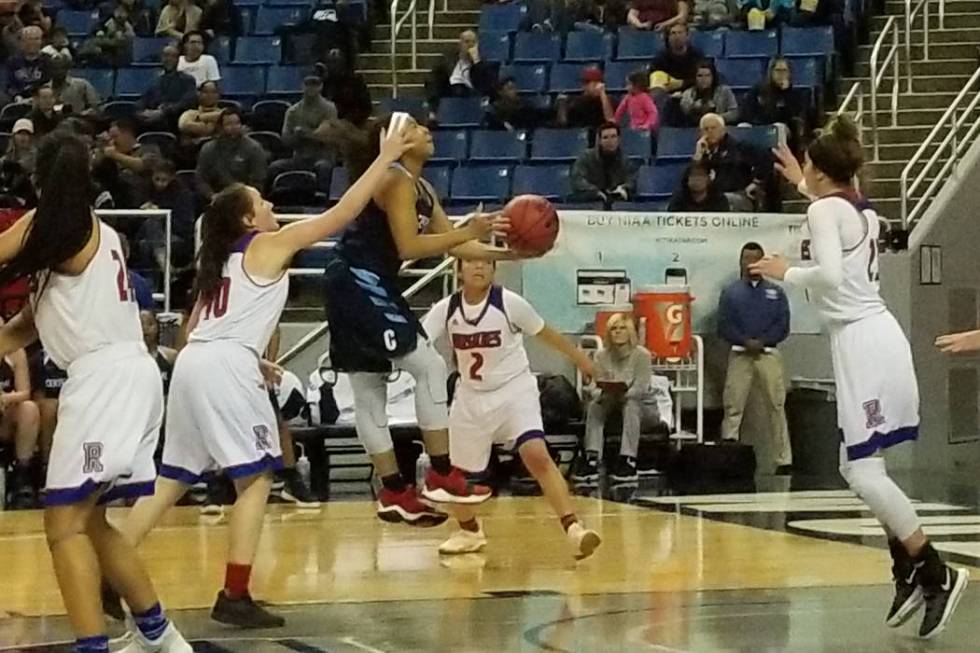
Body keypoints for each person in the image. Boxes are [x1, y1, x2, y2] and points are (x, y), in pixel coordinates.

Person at [118, 124, 417, 628]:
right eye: (261, 200)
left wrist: (246, 356)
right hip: (223, 367)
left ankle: (112, 569)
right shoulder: (267, 243)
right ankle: (234, 594)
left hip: (196, 365)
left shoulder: (218, 265)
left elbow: (193, 334)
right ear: (246, 217)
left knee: (173, 479)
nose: (270, 205)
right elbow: (342, 214)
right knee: (256, 479)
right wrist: (385, 157)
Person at [751, 118, 969, 640]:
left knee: (864, 474)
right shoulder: (859, 209)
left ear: (821, 171)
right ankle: (909, 568)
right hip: (869, 338)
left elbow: (826, 273)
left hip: (864, 343)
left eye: (808, 166)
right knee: (860, 470)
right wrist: (802, 184)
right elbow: (837, 220)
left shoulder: (827, 209)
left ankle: (936, 570)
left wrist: (785, 272)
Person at [0, 131, 192, 653]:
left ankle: (93, 646)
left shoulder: (51, 226)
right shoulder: (83, 235)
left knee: (62, 525)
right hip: (125, 375)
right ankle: (160, 634)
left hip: (105, 382)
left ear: (37, 178)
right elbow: (26, 328)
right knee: (90, 519)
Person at [324, 114, 511, 525]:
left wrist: (510, 255)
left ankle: (393, 491)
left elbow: (457, 250)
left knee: (369, 390)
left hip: (362, 281)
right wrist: (467, 231)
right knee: (428, 366)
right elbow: (410, 247)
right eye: (416, 128)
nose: (428, 131)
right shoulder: (393, 179)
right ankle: (442, 473)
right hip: (358, 278)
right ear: (396, 141)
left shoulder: (422, 186)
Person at [421, 258, 602, 557]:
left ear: (494, 269)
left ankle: (573, 528)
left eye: (486, 264)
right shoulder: (446, 309)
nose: (479, 268)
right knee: (454, 476)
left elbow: (547, 334)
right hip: (470, 397)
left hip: (514, 390)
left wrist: (582, 360)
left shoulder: (509, 303)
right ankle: (469, 531)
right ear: (459, 270)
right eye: (471, 263)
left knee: (536, 454)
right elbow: (418, 341)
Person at [718, 242, 792, 473]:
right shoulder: (730, 293)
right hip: (740, 354)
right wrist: (744, 341)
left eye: (755, 258)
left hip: (768, 353)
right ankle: (729, 455)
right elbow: (724, 325)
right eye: (746, 258)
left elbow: (783, 325)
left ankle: (783, 459)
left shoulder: (776, 293)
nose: (750, 263)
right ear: (740, 261)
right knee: (733, 405)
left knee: (776, 405)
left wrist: (763, 341)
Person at [573, 312, 652, 483]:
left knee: (631, 404)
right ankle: (592, 457)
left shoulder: (642, 356)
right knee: (596, 405)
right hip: (611, 400)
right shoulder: (601, 356)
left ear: (630, 332)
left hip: (640, 405)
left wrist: (622, 393)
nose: (617, 332)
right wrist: (599, 392)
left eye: (622, 328)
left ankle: (628, 459)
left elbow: (641, 389)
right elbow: (594, 385)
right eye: (614, 328)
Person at [269, 75, 338, 188]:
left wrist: (306, 134)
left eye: (315, 85)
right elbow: (285, 140)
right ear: (302, 86)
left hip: (322, 157)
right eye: (308, 85)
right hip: (299, 159)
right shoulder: (293, 111)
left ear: (321, 87)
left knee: (323, 167)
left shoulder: (329, 109)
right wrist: (299, 136)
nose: (311, 88)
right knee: (274, 167)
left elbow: (330, 138)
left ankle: (322, 201)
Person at [694, 113, 769, 211]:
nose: (710, 132)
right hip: (712, 197)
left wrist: (756, 183)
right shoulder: (704, 153)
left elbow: (766, 159)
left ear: (723, 129)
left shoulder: (740, 147)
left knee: (718, 202)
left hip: (738, 196)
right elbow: (693, 179)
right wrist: (698, 155)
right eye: (706, 129)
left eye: (713, 128)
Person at [0, 332, 41, 509]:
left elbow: (25, 391)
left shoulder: (16, 352)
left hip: (6, 415)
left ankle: (22, 476)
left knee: (29, 409)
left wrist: (6, 399)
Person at [195, 107, 268, 200]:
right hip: (215, 198)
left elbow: (258, 181)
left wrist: (243, 198)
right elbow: (201, 179)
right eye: (229, 124)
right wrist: (212, 196)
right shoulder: (208, 149)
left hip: (244, 199)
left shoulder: (254, 148)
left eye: (237, 123)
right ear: (220, 127)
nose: (234, 127)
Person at [425, 29, 498, 119]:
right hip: (451, 103)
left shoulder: (485, 64)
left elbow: (488, 87)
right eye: (467, 42)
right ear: (460, 45)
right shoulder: (446, 62)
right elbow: (433, 84)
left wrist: (477, 62)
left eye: (473, 43)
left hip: (475, 105)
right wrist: (433, 110)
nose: (470, 45)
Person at [742, 57, 808, 154]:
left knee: (778, 127)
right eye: (778, 70)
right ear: (771, 72)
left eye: (784, 71)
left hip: (782, 128)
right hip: (758, 126)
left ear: (789, 73)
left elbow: (793, 117)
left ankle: (782, 159)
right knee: (743, 126)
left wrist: (786, 92)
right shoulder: (758, 90)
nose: (781, 74)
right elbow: (746, 111)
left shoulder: (794, 94)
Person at [570, 122, 637, 206]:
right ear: (600, 141)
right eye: (605, 138)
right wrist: (596, 192)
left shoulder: (626, 161)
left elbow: (631, 180)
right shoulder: (586, 158)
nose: (610, 141)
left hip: (618, 202)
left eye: (613, 136)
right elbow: (578, 180)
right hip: (591, 202)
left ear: (618, 139)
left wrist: (623, 188)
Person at [136, 45, 198, 132]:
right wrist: (141, 112)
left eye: (172, 56)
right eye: (166, 55)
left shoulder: (187, 80)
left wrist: (163, 112)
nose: (168, 59)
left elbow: (186, 102)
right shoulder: (155, 81)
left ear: (178, 59)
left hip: (173, 119)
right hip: (151, 118)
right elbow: (143, 100)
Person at [680, 59, 738, 127]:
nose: (704, 79)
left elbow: (734, 113)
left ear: (713, 77)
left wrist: (715, 119)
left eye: (707, 75)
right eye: (700, 76)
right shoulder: (688, 94)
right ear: (694, 77)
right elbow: (685, 113)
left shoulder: (725, 91)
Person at [556, 66, 615, 131]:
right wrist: (562, 105)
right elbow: (564, 124)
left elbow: (611, 121)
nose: (584, 87)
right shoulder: (577, 101)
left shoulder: (608, 101)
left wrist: (602, 94)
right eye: (583, 83)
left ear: (598, 84)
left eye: (587, 83)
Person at [650, 22, 701, 94]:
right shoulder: (660, 58)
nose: (677, 36)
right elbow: (654, 78)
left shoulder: (697, 55)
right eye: (673, 33)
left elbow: (703, 78)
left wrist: (682, 83)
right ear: (668, 37)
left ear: (687, 36)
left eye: (680, 33)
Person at [5, 25, 46, 103]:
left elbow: (50, 84)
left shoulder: (48, 60)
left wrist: (36, 98)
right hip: (18, 100)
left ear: (41, 41)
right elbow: (10, 85)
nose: (32, 42)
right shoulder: (13, 61)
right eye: (28, 39)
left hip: (43, 100)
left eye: (36, 39)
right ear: (21, 42)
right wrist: (17, 96)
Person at [140, 310, 175, 396]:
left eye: (150, 324)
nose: (145, 328)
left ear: (157, 327)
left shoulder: (170, 356)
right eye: (141, 324)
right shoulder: (130, 359)